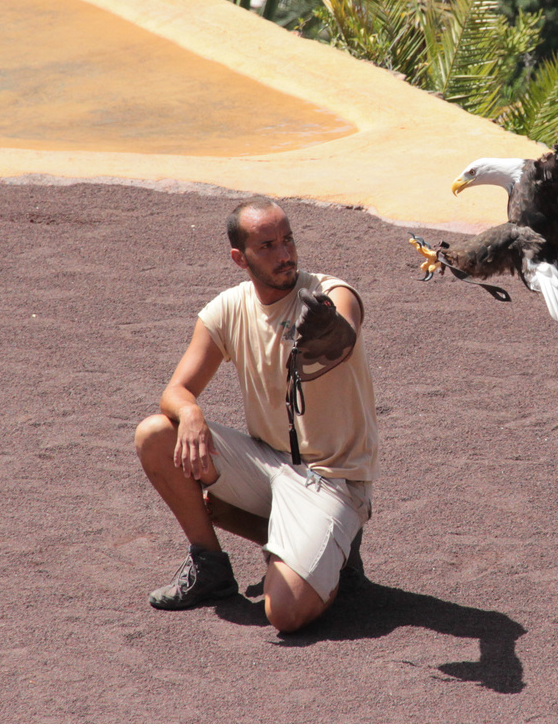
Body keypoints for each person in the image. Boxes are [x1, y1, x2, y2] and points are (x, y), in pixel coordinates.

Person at [134, 196, 377, 633]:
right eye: (267, 246)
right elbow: (176, 390)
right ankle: (210, 566)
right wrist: (189, 411)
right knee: (155, 434)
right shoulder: (227, 309)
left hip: (332, 479)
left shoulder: (330, 291)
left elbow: (343, 334)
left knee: (283, 615)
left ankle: (334, 558)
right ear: (238, 257)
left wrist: (328, 328)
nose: (284, 254)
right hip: (267, 465)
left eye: (288, 240)